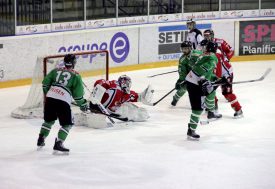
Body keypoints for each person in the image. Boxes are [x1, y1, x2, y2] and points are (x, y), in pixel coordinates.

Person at [37, 54, 88, 154]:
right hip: (62, 100)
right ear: (74, 63)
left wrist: (50, 94)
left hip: (50, 98)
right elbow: (78, 96)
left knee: (49, 121)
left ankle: (41, 139)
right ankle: (59, 143)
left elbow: (45, 83)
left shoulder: (55, 70)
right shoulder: (76, 76)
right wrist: (83, 104)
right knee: (67, 124)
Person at [203, 29, 243, 118]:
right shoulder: (206, 47)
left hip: (226, 74)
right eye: (205, 35)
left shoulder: (216, 54)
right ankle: (213, 109)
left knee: (226, 93)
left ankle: (239, 110)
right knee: (210, 90)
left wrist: (216, 81)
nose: (206, 37)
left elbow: (218, 71)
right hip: (218, 71)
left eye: (208, 35)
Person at [185, 41, 220, 139]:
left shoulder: (204, 54)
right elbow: (204, 69)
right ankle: (191, 131)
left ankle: (191, 128)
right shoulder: (213, 56)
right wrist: (201, 78)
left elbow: (205, 72)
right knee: (197, 109)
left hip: (192, 81)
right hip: (194, 83)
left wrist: (216, 78)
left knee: (199, 107)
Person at [88, 75, 154, 123]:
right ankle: (141, 115)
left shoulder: (125, 93)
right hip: (100, 107)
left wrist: (142, 96)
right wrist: (96, 93)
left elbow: (133, 96)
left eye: (128, 83)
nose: (127, 85)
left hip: (110, 110)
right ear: (121, 82)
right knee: (129, 110)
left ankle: (141, 114)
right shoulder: (114, 86)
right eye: (126, 83)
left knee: (131, 107)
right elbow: (101, 82)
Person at [171, 41, 202, 106]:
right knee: (184, 86)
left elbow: (206, 61)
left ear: (190, 48)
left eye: (186, 49)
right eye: (183, 49)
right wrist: (181, 80)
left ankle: (203, 103)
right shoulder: (182, 59)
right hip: (191, 75)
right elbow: (182, 71)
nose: (184, 50)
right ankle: (176, 98)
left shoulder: (198, 54)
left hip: (201, 73)